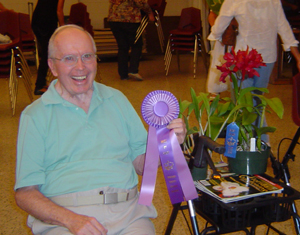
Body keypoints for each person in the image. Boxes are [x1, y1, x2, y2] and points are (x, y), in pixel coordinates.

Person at [14, 24, 187, 235]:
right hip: (65, 219)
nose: (81, 67)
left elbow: (143, 166)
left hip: (127, 215)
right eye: (69, 58)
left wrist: (167, 144)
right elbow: (25, 193)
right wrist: (71, 220)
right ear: (52, 66)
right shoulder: (35, 115)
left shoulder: (117, 100)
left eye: (87, 56)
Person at [208, 0, 300, 143]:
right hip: (267, 59)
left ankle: (250, 148)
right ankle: (260, 147)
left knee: (241, 107)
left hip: (243, 59)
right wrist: (298, 57)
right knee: (257, 104)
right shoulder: (273, 1)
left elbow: (218, 29)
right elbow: (284, 28)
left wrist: (215, 28)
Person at [107, 0, 155, 81]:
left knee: (122, 47)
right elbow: (139, 2)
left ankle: (123, 74)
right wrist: (150, 12)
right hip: (129, 19)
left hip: (114, 19)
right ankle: (133, 70)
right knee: (137, 44)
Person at [31, 0, 65, 95]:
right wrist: (63, 28)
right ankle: (39, 85)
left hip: (36, 21)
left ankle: (42, 82)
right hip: (46, 22)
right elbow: (59, 11)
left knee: (45, 52)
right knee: (47, 53)